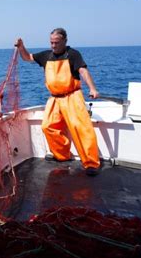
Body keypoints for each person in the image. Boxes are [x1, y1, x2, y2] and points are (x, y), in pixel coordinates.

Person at [15, 28, 100, 176]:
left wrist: (92, 88)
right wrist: (22, 47)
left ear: (65, 41)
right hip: (54, 98)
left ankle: (91, 163)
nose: (53, 46)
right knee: (48, 126)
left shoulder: (73, 54)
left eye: (57, 43)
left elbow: (83, 71)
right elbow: (27, 57)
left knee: (81, 128)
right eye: (51, 42)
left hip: (72, 96)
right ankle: (61, 155)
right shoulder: (46, 55)